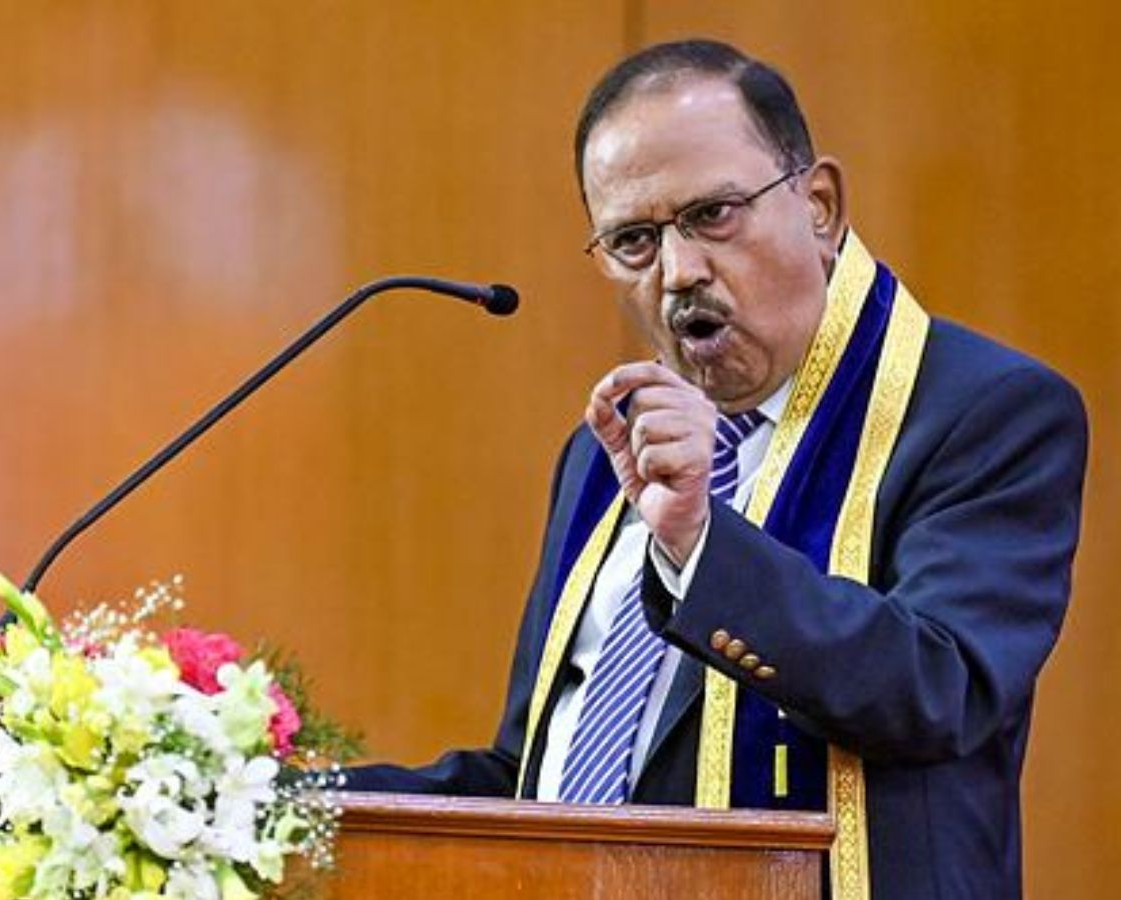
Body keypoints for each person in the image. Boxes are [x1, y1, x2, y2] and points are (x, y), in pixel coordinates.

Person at [346, 39, 1087, 900]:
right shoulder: (604, 453)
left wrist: (701, 541)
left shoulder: (982, 412)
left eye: (712, 215)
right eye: (633, 240)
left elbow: (938, 690)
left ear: (819, 205)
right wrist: (254, 797)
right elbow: (538, 777)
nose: (679, 272)